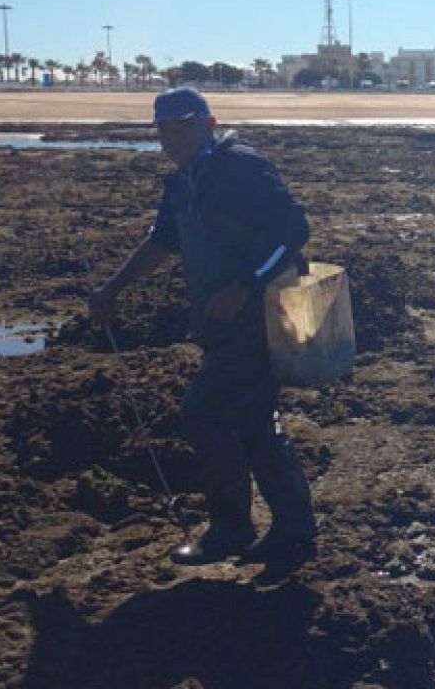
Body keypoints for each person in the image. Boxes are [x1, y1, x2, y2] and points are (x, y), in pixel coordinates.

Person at [89, 87, 318, 567]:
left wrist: (246, 286)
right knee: (247, 419)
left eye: (182, 126)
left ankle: (241, 528)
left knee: (207, 412)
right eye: (163, 130)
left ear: (209, 125)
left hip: (259, 319)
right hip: (218, 324)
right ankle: (282, 528)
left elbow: (293, 231)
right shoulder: (182, 182)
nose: (171, 138)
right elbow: (162, 242)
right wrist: (114, 288)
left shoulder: (241, 167)